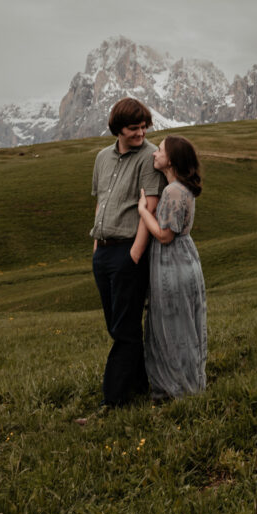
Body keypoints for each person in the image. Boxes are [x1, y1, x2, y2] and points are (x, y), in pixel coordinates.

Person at [89, 98, 166, 409]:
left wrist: (134, 254)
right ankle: (138, 385)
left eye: (144, 126)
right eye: (134, 128)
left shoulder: (149, 156)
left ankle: (113, 399)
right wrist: (96, 246)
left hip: (127, 252)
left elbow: (150, 207)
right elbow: (101, 201)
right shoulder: (101, 158)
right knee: (118, 325)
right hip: (103, 251)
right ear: (118, 129)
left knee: (124, 327)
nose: (141, 132)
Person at [137, 135, 207, 399]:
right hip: (185, 257)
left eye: (161, 150)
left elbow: (165, 235)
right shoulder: (181, 189)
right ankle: (186, 383)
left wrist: (143, 210)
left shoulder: (172, 191)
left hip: (172, 261)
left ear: (172, 160)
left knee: (172, 324)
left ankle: (177, 388)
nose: (154, 153)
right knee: (185, 322)